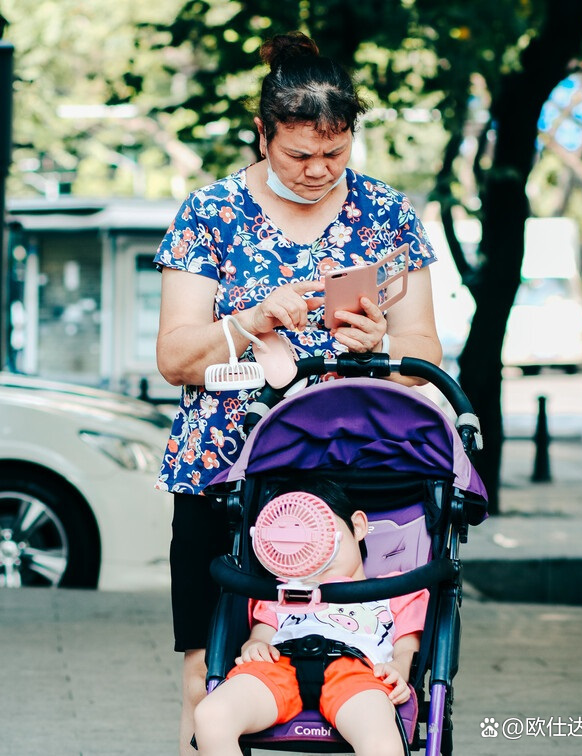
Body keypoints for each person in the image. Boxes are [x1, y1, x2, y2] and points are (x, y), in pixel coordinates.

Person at [154, 30, 442, 755]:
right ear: (262, 134)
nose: (319, 171)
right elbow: (174, 358)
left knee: (364, 668)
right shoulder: (210, 213)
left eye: (336, 153)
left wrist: (381, 346)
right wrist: (247, 321)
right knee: (206, 669)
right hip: (226, 472)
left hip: (357, 471)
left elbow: (428, 354)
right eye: (299, 154)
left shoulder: (386, 215)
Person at [192, 480, 429, 756]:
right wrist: (254, 645)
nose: (317, 554)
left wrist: (399, 667)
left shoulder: (396, 588)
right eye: (301, 543)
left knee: (382, 743)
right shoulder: (279, 588)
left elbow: (406, 647)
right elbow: (260, 634)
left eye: (325, 536)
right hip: (277, 665)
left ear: (358, 527)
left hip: (357, 672)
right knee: (210, 715)